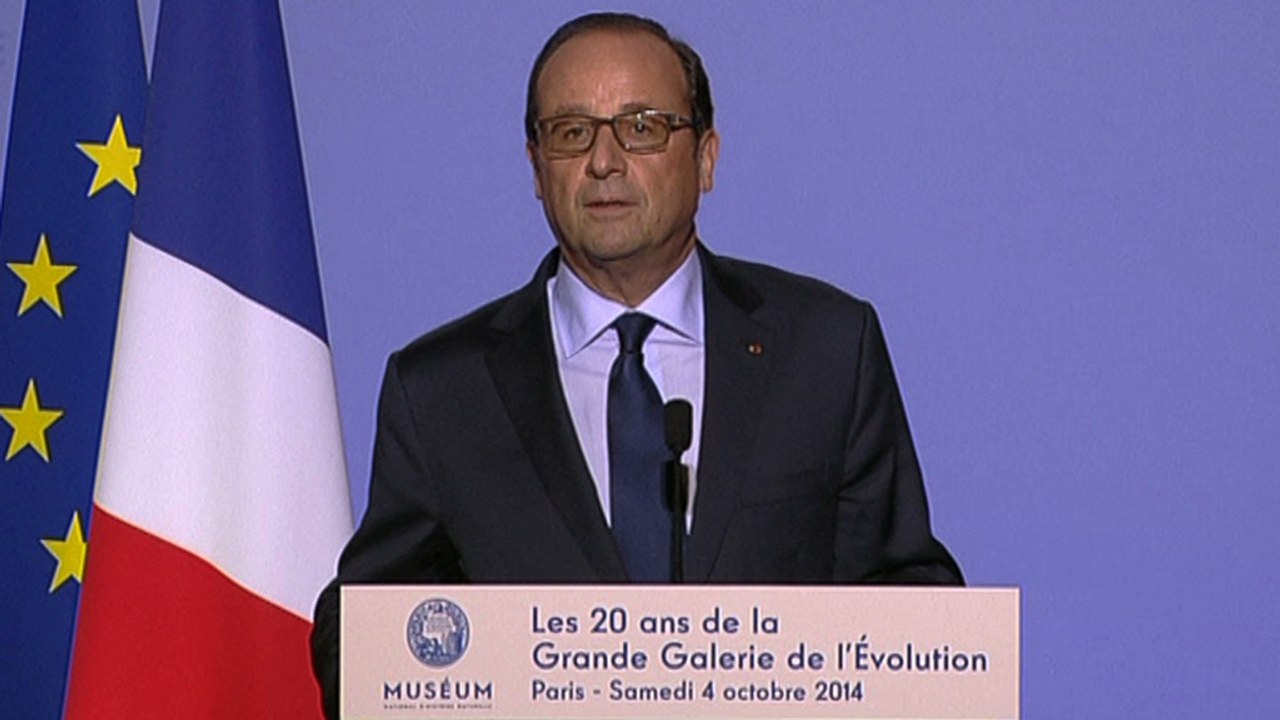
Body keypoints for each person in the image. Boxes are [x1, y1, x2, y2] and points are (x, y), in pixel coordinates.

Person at [311, 11, 961, 718]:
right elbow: (363, 634)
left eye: (642, 126)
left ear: (706, 158)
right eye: (571, 132)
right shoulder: (442, 390)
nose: (604, 161)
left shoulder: (826, 349)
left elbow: (909, 604)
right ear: (535, 168)